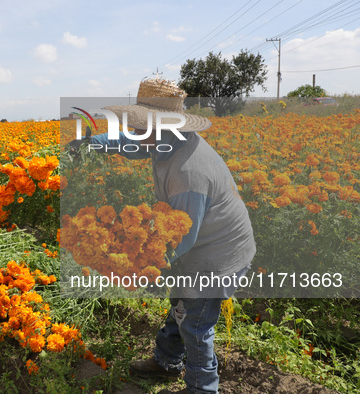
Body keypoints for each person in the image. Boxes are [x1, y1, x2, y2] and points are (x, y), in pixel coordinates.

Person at [69, 78, 256, 394]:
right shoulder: (163, 141)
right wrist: (94, 143)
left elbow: (182, 239)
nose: (137, 132)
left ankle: (203, 389)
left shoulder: (188, 174)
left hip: (220, 256)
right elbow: (128, 143)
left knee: (195, 324)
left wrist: (138, 266)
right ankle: (167, 362)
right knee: (181, 304)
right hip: (202, 245)